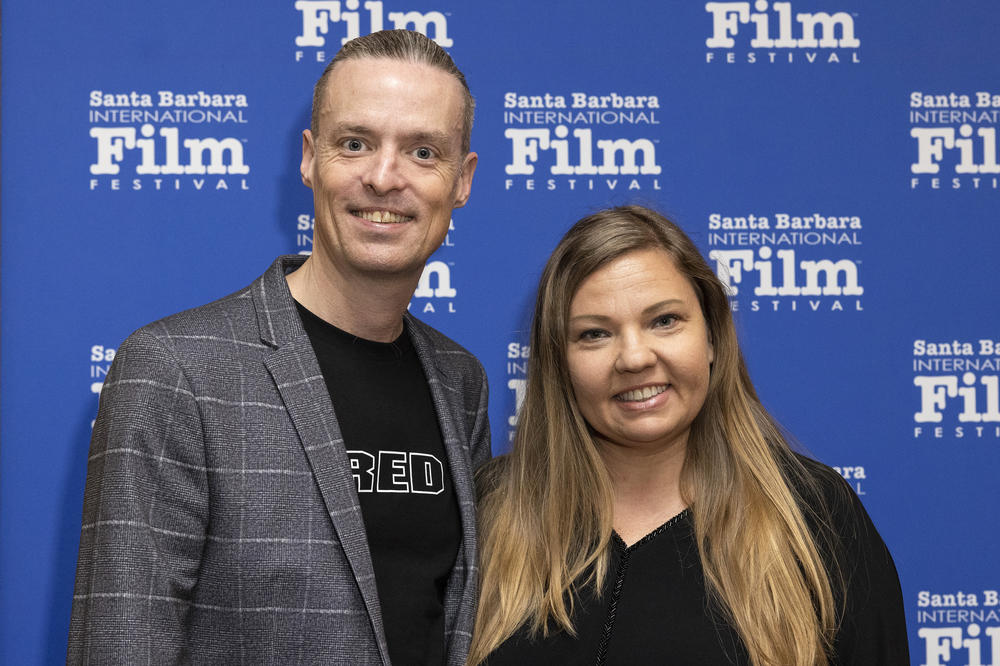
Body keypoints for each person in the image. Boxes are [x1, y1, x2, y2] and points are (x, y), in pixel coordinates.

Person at [68, 30, 488, 666]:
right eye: (356, 143)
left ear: (462, 180)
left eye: (423, 151)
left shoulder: (462, 382)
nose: (384, 176)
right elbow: (118, 646)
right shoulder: (174, 370)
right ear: (310, 158)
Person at [469, 206, 908, 665]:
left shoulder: (815, 515)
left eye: (664, 321)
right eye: (595, 334)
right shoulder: (490, 511)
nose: (635, 358)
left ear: (713, 336)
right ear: (560, 364)